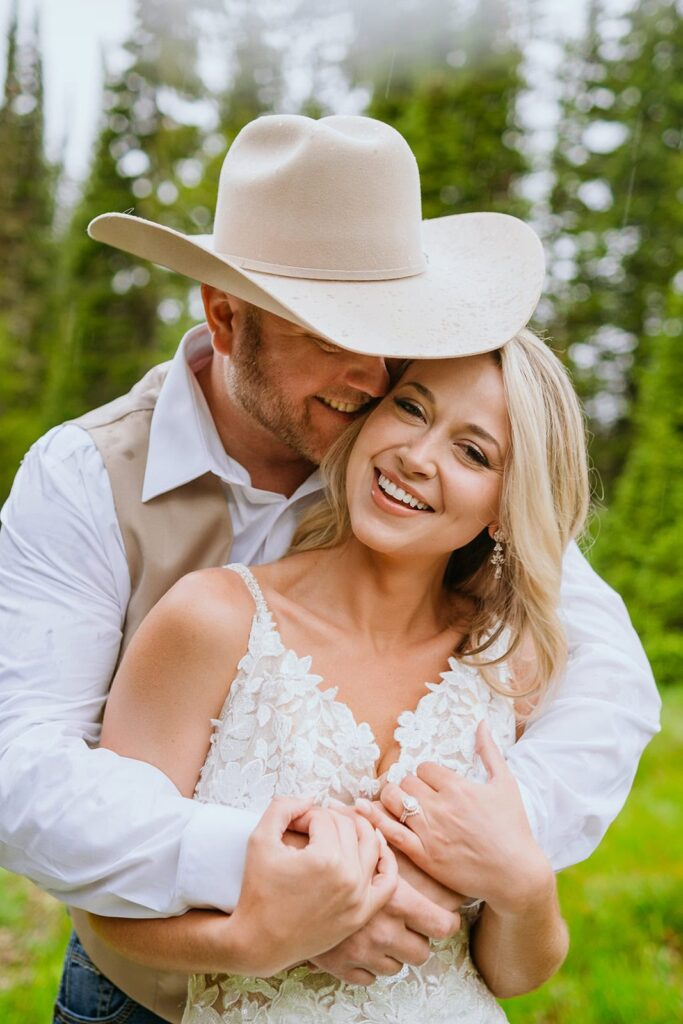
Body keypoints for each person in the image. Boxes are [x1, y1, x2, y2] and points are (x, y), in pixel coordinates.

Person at [0, 115, 659, 1024]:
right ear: (225, 318)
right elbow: (20, 764)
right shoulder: (85, 477)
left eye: (389, 330)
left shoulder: (402, 457)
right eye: (326, 332)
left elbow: (608, 681)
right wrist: (282, 885)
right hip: (151, 982)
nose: (368, 372)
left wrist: (459, 862)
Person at [84, 327, 586, 1023]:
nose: (415, 456)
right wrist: (256, 941)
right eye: (410, 408)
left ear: (505, 510)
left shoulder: (504, 659)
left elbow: (510, 973)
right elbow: (105, 898)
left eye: (471, 452)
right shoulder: (211, 620)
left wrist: (525, 886)